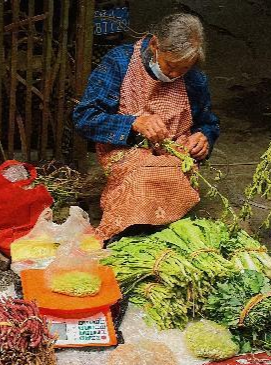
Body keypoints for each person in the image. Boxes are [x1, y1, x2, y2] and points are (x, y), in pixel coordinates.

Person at [72, 13, 219, 240]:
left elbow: (208, 121)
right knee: (143, 179)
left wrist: (204, 136)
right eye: (170, 66)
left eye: (184, 69)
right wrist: (133, 123)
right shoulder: (119, 62)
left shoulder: (194, 79)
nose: (175, 74)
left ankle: (159, 227)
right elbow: (84, 118)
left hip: (174, 149)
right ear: (154, 45)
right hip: (124, 149)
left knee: (174, 175)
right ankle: (128, 229)